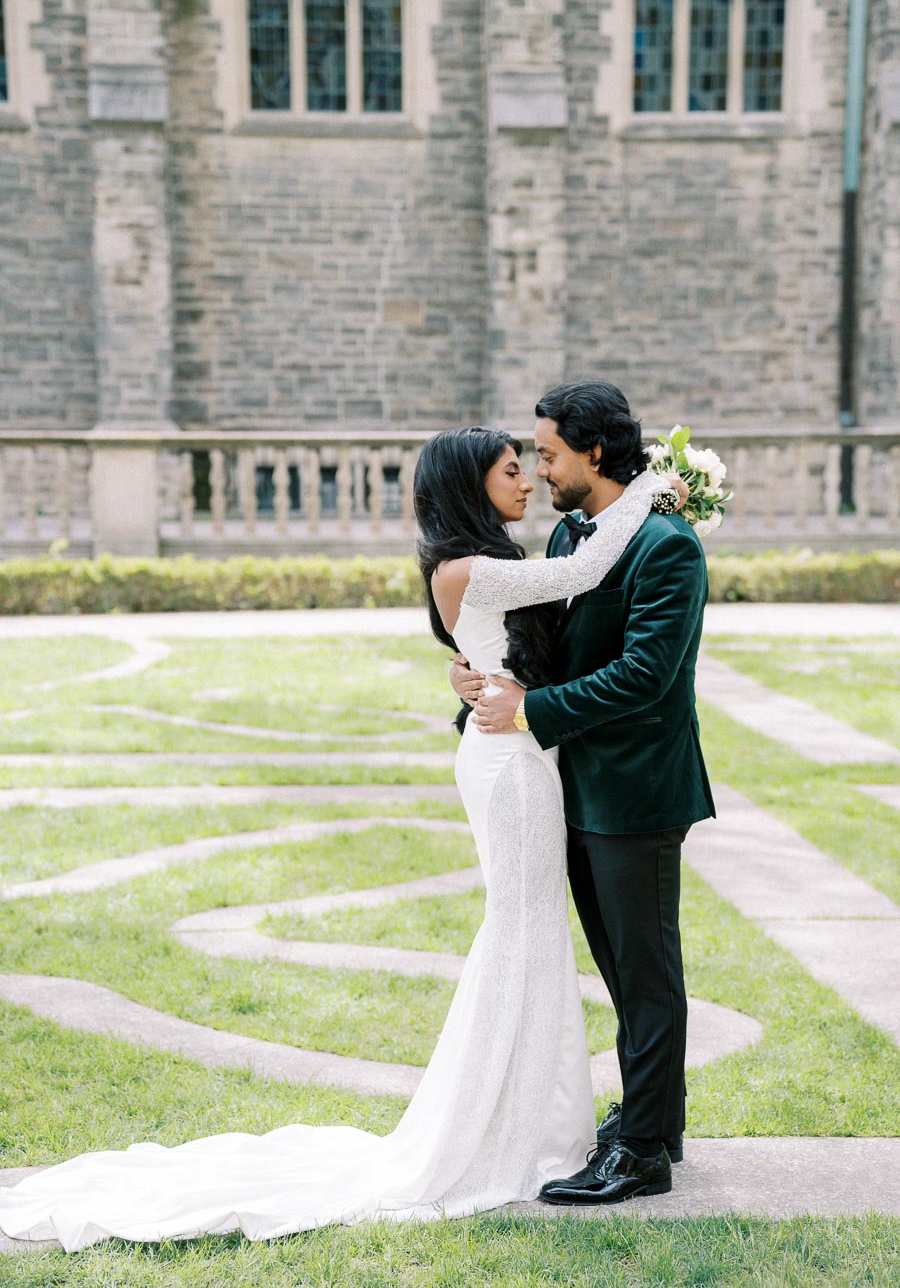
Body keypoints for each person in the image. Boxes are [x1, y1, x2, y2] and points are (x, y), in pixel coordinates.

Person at [0, 426, 664, 1252]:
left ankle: (532, 1120)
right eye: (509, 470)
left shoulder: (476, 563)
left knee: (527, 934)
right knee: (522, 934)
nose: (526, 480)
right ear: (470, 484)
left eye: (530, 466)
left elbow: (529, 627)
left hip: (511, 749)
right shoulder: (469, 567)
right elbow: (581, 572)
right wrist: (663, 483)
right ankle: (508, 1130)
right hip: (510, 765)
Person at [453, 380, 715, 1206]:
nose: (539, 468)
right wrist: (487, 679)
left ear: (595, 454)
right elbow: (553, 641)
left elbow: (645, 674)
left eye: (550, 453)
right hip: (569, 784)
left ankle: (640, 1151)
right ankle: (654, 1122)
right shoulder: (574, 533)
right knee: (616, 966)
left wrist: (531, 709)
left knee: (644, 973)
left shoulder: (668, 546)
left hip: (637, 791)